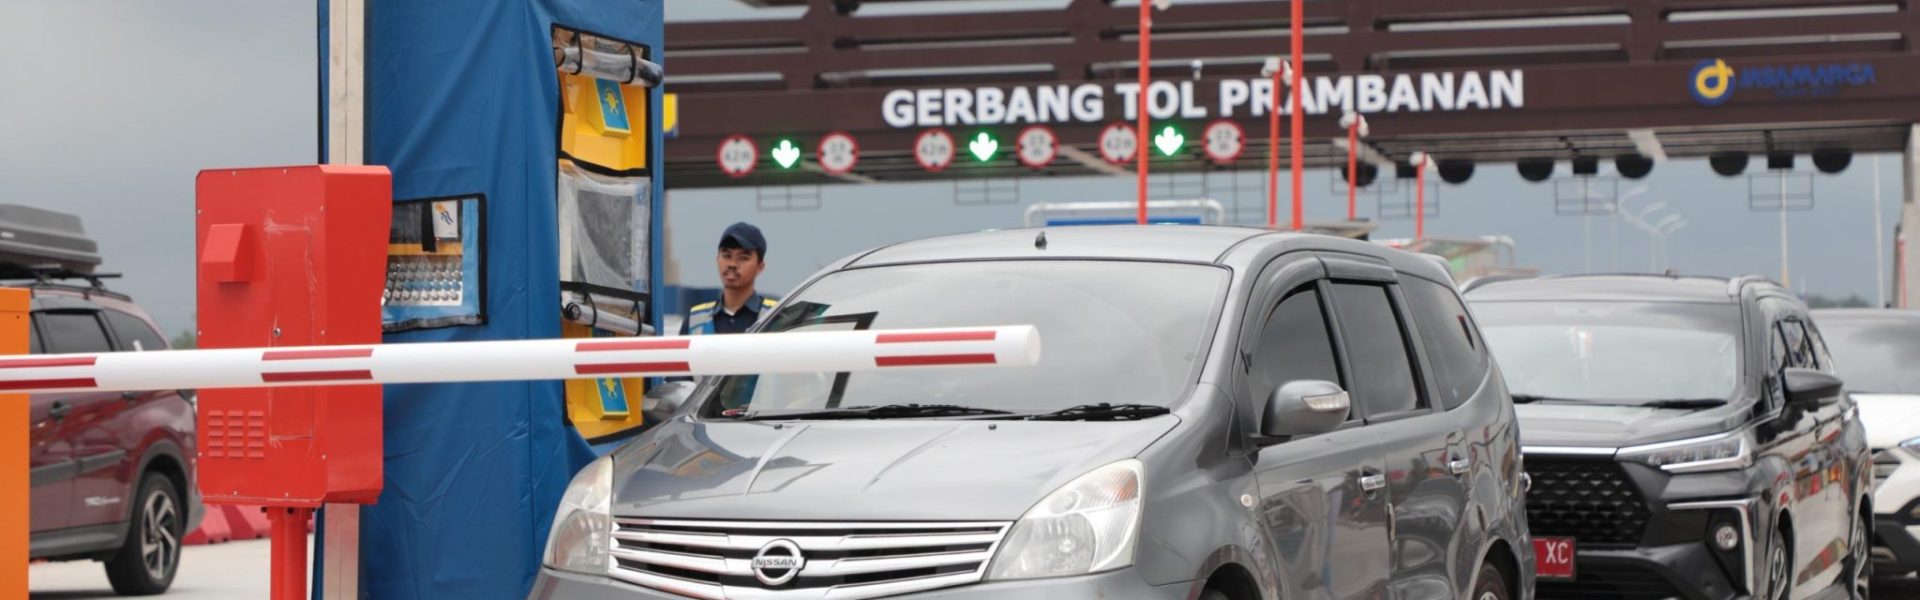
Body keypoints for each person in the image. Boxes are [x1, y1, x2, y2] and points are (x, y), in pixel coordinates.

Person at [680, 222, 777, 335]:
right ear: (717, 259)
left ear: (760, 267)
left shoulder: (776, 316)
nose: (732, 264)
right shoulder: (695, 319)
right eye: (726, 256)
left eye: (743, 258)